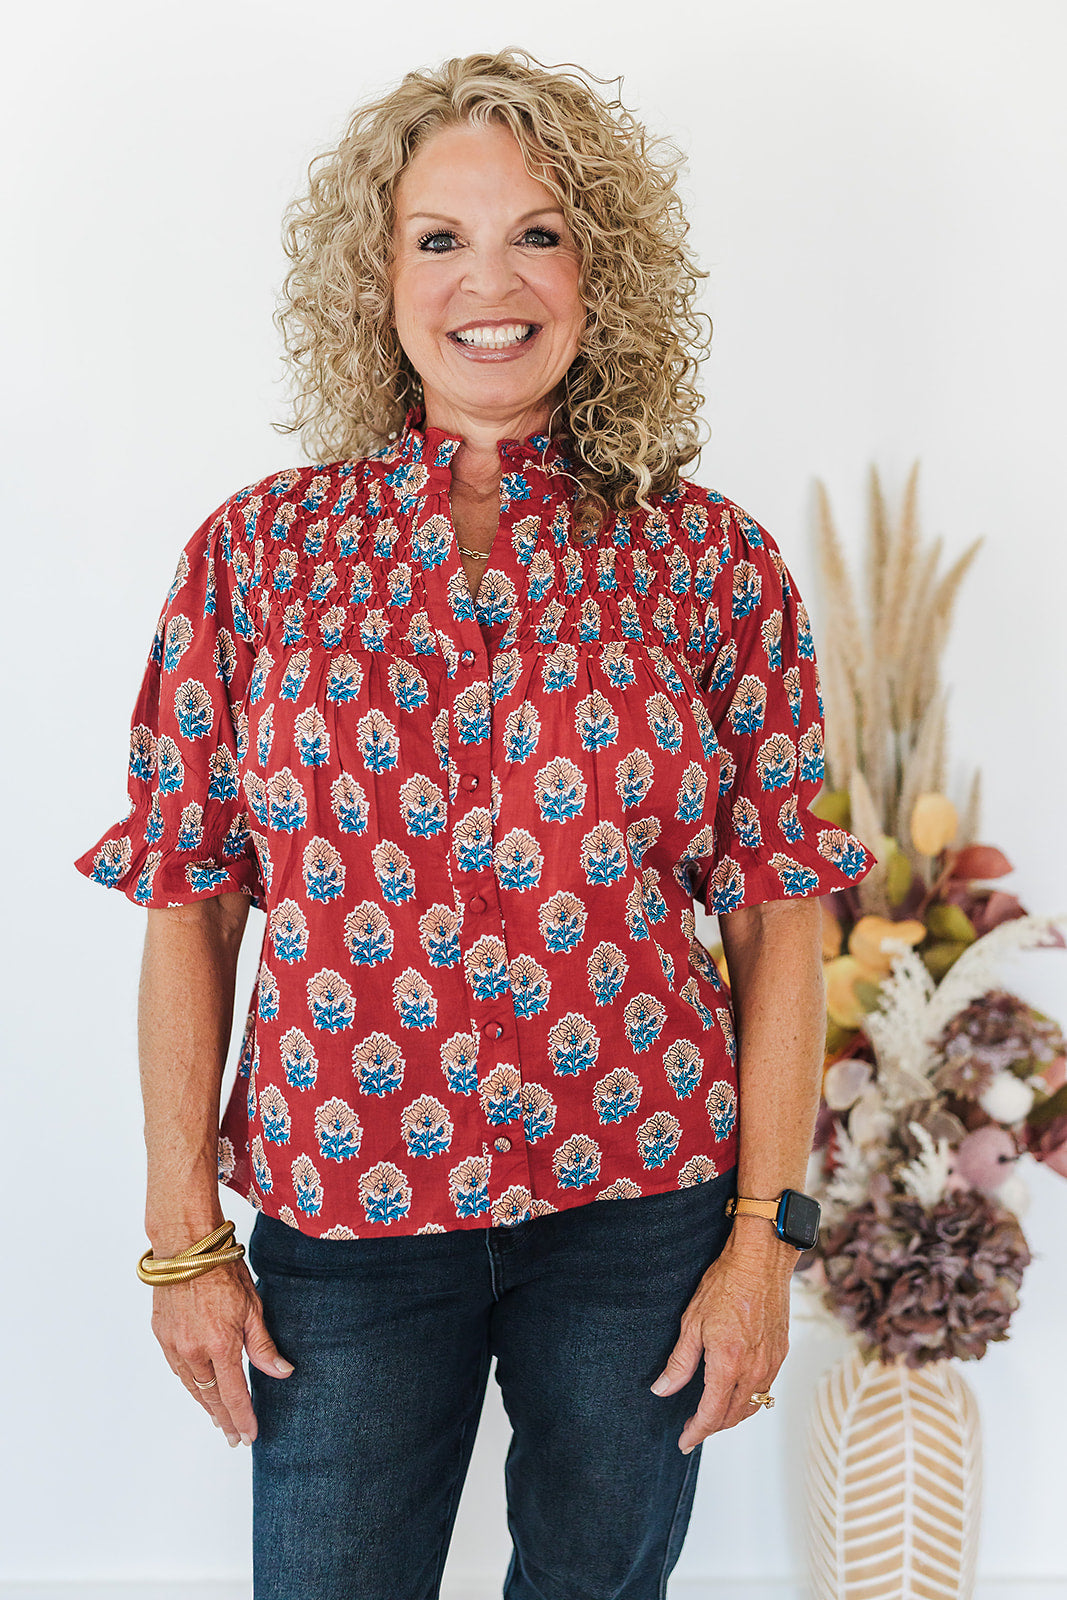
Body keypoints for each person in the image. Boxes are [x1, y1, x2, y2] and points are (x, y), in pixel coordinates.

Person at [75, 49, 875, 1600]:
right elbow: (193, 900)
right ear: (375, 277)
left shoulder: (712, 566)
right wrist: (184, 1238)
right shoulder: (257, 559)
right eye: (439, 237)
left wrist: (762, 1246)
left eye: (539, 235)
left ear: (601, 273)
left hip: (643, 1215)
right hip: (347, 1223)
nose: (489, 283)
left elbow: (780, 919)